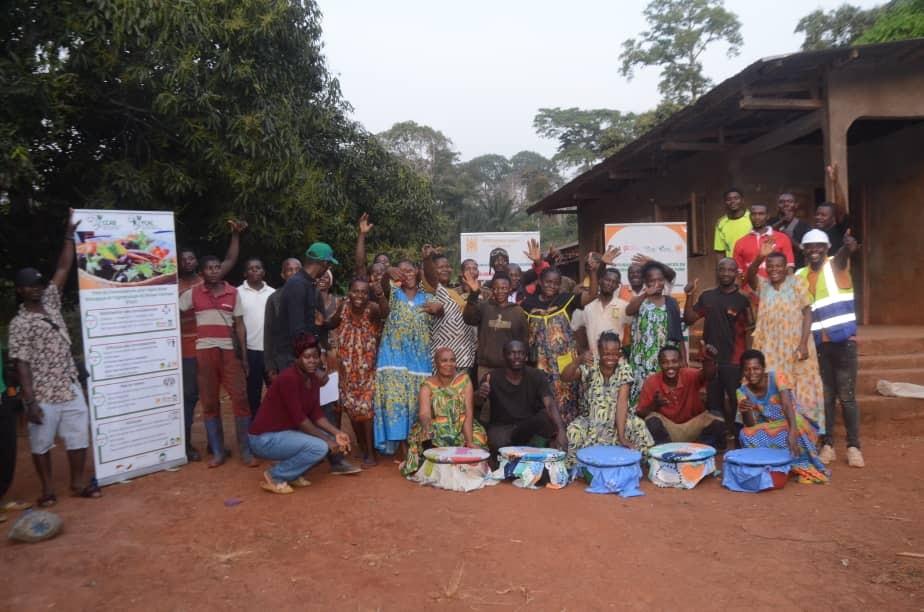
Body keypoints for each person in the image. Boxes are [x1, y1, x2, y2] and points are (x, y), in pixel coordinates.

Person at [9, 210, 100, 506]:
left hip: (69, 383)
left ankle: (76, 482)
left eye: (38, 283)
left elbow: (63, 267)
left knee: (78, 436)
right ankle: (47, 489)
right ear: (20, 291)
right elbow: (20, 363)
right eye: (30, 285)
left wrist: (68, 236)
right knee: (41, 442)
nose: (36, 287)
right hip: (43, 391)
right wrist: (30, 401)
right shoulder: (19, 324)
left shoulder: (50, 301)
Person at [247, 334, 354, 494]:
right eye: (307, 357)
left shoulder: (312, 378)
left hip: (284, 433)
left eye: (315, 357)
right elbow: (301, 420)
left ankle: (292, 473)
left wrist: (338, 433)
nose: (312, 361)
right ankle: (276, 475)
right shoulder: (288, 378)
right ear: (297, 358)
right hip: (264, 439)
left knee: (328, 440)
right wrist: (327, 441)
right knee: (320, 447)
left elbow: (316, 414)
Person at [178, 255, 256, 468]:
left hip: (230, 353)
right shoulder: (193, 293)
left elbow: (239, 325)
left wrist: (244, 358)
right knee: (209, 402)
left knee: (240, 399)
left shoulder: (233, 293)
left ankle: (246, 451)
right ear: (202, 273)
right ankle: (218, 452)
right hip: (204, 353)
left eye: (216, 267)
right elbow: (173, 309)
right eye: (209, 268)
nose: (213, 271)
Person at [798, 228, 864, 467]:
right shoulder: (800, 275)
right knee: (825, 398)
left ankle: (854, 447)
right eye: (809, 246)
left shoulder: (837, 264)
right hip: (818, 346)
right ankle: (827, 445)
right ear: (803, 250)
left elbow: (845, 254)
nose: (814, 250)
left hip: (844, 342)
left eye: (819, 246)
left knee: (846, 398)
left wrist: (848, 246)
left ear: (826, 249)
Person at [745, 240, 825, 431]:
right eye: (770, 267)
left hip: (796, 346)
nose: (774, 270)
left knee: (803, 385)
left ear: (786, 267)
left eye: (779, 266)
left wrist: (804, 343)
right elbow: (749, 277)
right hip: (770, 348)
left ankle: (810, 433)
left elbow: (807, 312)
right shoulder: (763, 286)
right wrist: (759, 258)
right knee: (773, 385)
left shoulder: (797, 282)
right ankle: (778, 432)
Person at [373, 257, 439, 458]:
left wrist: (440, 309)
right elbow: (383, 284)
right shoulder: (391, 293)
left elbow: (440, 310)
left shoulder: (428, 297)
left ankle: (415, 444)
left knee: (416, 403)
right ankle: (401, 446)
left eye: (410, 270)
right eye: (402, 271)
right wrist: (387, 272)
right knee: (395, 403)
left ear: (418, 273)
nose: (407, 274)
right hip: (392, 358)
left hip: (419, 360)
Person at [683, 259, 752, 446]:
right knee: (714, 402)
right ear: (717, 272)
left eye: (730, 270)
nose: (726, 273)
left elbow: (749, 331)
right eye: (722, 269)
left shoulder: (743, 300)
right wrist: (689, 295)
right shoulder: (708, 297)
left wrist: (747, 361)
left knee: (737, 401)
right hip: (711, 361)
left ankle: (741, 440)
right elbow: (689, 319)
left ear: (736, 272)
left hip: (735, 361)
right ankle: (718, 440)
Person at [737, 350, 829, 484]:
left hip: (791, 420)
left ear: (763, 368)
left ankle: (801, 464)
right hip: (771, 427)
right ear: (742, 372)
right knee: (744, 434)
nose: (752, 373)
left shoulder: (776, 377)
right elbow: (751, 425)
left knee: (796, 422)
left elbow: (787, 405)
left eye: (756, 368)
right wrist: (745, 410)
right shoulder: (741, 391)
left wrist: (792, 432)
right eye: (747, 370)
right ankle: (774, 462)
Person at [561, 333, 653, 467]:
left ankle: (643, 465)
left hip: (618, 421)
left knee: (639, 426)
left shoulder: (624, 369)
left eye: (615, 354)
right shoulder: (590, 365)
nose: (611, 358)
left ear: (619, 353)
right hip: (591, 420)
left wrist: (622, 437)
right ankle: (578, 468)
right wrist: (578, 360)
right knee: (574, 431)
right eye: (607, 354)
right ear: (599, 351)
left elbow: (622, 404)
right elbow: (565, 377)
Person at [400, 348, 488, 477]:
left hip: (461, 425)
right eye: (444, 361)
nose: (449, 364)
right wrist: (428, 429)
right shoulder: (427, 385)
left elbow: (468, 412)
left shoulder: (464, 380)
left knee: (478, 440)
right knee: (430, 441)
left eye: (452, 360)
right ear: (436, 363)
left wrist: (469, 441)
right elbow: (424, 414)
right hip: (436, 425)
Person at [521, 267, 592, 425]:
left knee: (567, 400)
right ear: (540, 282)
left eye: (555, 283)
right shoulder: (528, 304)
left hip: (563, 363)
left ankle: (568, 437)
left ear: (560, 285)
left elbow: (592, 295)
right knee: (541, 400)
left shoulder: (565, 300)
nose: (551, 286)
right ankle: (546, 438)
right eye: (548, 282)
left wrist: (594, 271)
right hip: (538, 363)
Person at [328, 272, 386, 467]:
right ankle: (362, 447)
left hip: (367, 372)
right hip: (346, 371)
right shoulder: (343, 308)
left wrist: (380, 295)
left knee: (366, 412)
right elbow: (332, 323)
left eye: (363, 292)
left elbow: (386, 313)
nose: (359, 296)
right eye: (355, 291)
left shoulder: (373, 310)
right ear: (349, 293)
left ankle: (371, 453)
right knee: (352, 411)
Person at [476, 341, 568, 455]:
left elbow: (549, 404)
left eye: (521, 353)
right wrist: (480, 394)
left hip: (527, 426)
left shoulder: (536, 375)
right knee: (496, 441)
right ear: (504, 356)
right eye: (512, 353)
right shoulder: (491, 377)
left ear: (526, 356)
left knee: (545, 417)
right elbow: (477, 403)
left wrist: (561, 431)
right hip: (502, 428)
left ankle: (537, 455)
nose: (517, 357)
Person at [636, 345, 726, 447]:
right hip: (668, 429)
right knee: (651, 420)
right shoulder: (652, 381)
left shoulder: (689, 374)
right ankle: (666, 454)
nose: (670, 366)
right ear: (660, 364)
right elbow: (640, 413)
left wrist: (708, 359)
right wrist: (654, 405)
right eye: (665, 362)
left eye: (674, 361)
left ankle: (702, 451)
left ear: (680, 362)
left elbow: (709, 375)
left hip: (692, 426)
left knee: (717, 418)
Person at [462, 271, 528, 405]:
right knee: (486, 404)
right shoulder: (484, 307)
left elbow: (524, 340)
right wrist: (473, 294)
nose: (500, 291)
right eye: (496, 288)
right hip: (486, 367)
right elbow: (468, 318)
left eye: (504, 288)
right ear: (492, 289)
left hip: (509, 368)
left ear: (510, 289)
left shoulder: (518, 312)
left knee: (508, 404)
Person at [625, 261, 685, 407]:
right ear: (646, 282)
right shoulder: (641, 301)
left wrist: (683, 358)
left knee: (664, 394)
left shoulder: (671, 302)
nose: (657, 283)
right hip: (642, 360)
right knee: (641, 395)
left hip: (665, 359)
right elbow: (629, 311)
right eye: (652, 281)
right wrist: (646, 293)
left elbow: (678, 333)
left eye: (660, 280)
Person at [422, 246, 477, 374]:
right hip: (443, 358)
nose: (445, 270)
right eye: (440, 267)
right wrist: (427, 259)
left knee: (461, 393)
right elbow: (431, 277)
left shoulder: (455, 291)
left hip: (464, 356)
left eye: (447, 267)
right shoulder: (434, 289)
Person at [237, 258, 274, 417]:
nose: (254, 271)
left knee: (275, 390)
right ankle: (255, 428)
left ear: (263, 272)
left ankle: (276, 425)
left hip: (270, 351)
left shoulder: (273, 293)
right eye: (250, 269)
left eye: (258, 268)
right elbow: (236, 323)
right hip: (250, 351)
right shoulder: (237, 292)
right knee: (253, 393)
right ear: (245, 273)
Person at [582, 250, 629, 357]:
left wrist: (626, 352)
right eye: (607, 280)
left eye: (614, 282)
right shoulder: (587, 306)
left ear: (618, 286)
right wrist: (583, 352)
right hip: (593, 362)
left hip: (615, 362)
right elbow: (577, 330)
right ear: (600, 281)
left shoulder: (624, 306)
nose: (610, 284)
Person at [263, 258, 303, 381]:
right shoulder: (274, 299)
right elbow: (268, 332)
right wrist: (270, 365)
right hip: (283, 359)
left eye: (297, 270)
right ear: (283, 275)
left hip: (307, 358)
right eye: (290, 270)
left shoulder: (312, 295)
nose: (294, 273)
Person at [733, 203, 794, 280]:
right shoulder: (740, 243)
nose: (757, 217)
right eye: (754, 214)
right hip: (749, 290)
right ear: (750, 217)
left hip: (776, 290)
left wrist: (789, 289)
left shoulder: (782, 238)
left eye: (761, 214)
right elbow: (738, 274)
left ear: (767, 216)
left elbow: (789, 267)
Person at [817, 163, 851, 255]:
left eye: (823, 215)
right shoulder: (815, 233)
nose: (818, 217)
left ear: (833, 218)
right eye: (818, 214)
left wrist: (835, 183)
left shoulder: (839, 229)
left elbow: (840, 208)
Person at [772, 191, 811, 268]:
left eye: (789, 202)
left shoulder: (804, 226)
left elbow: (804, 250)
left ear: (796, 205)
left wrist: (786, 236)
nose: (786, 204)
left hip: (796, 268)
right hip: (773, 268)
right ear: (777, 205)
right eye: (781, 202)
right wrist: (782, 221)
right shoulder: (769, 223)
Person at [713, 188, 752, 258]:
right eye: (729, 199)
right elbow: (719, 251)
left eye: (736, 198)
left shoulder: (752, 218)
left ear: (743, 200)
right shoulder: (721, 223)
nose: (732, 201)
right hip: (732, 266)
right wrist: (720, 268)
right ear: (725, 202)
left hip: (752, 264)